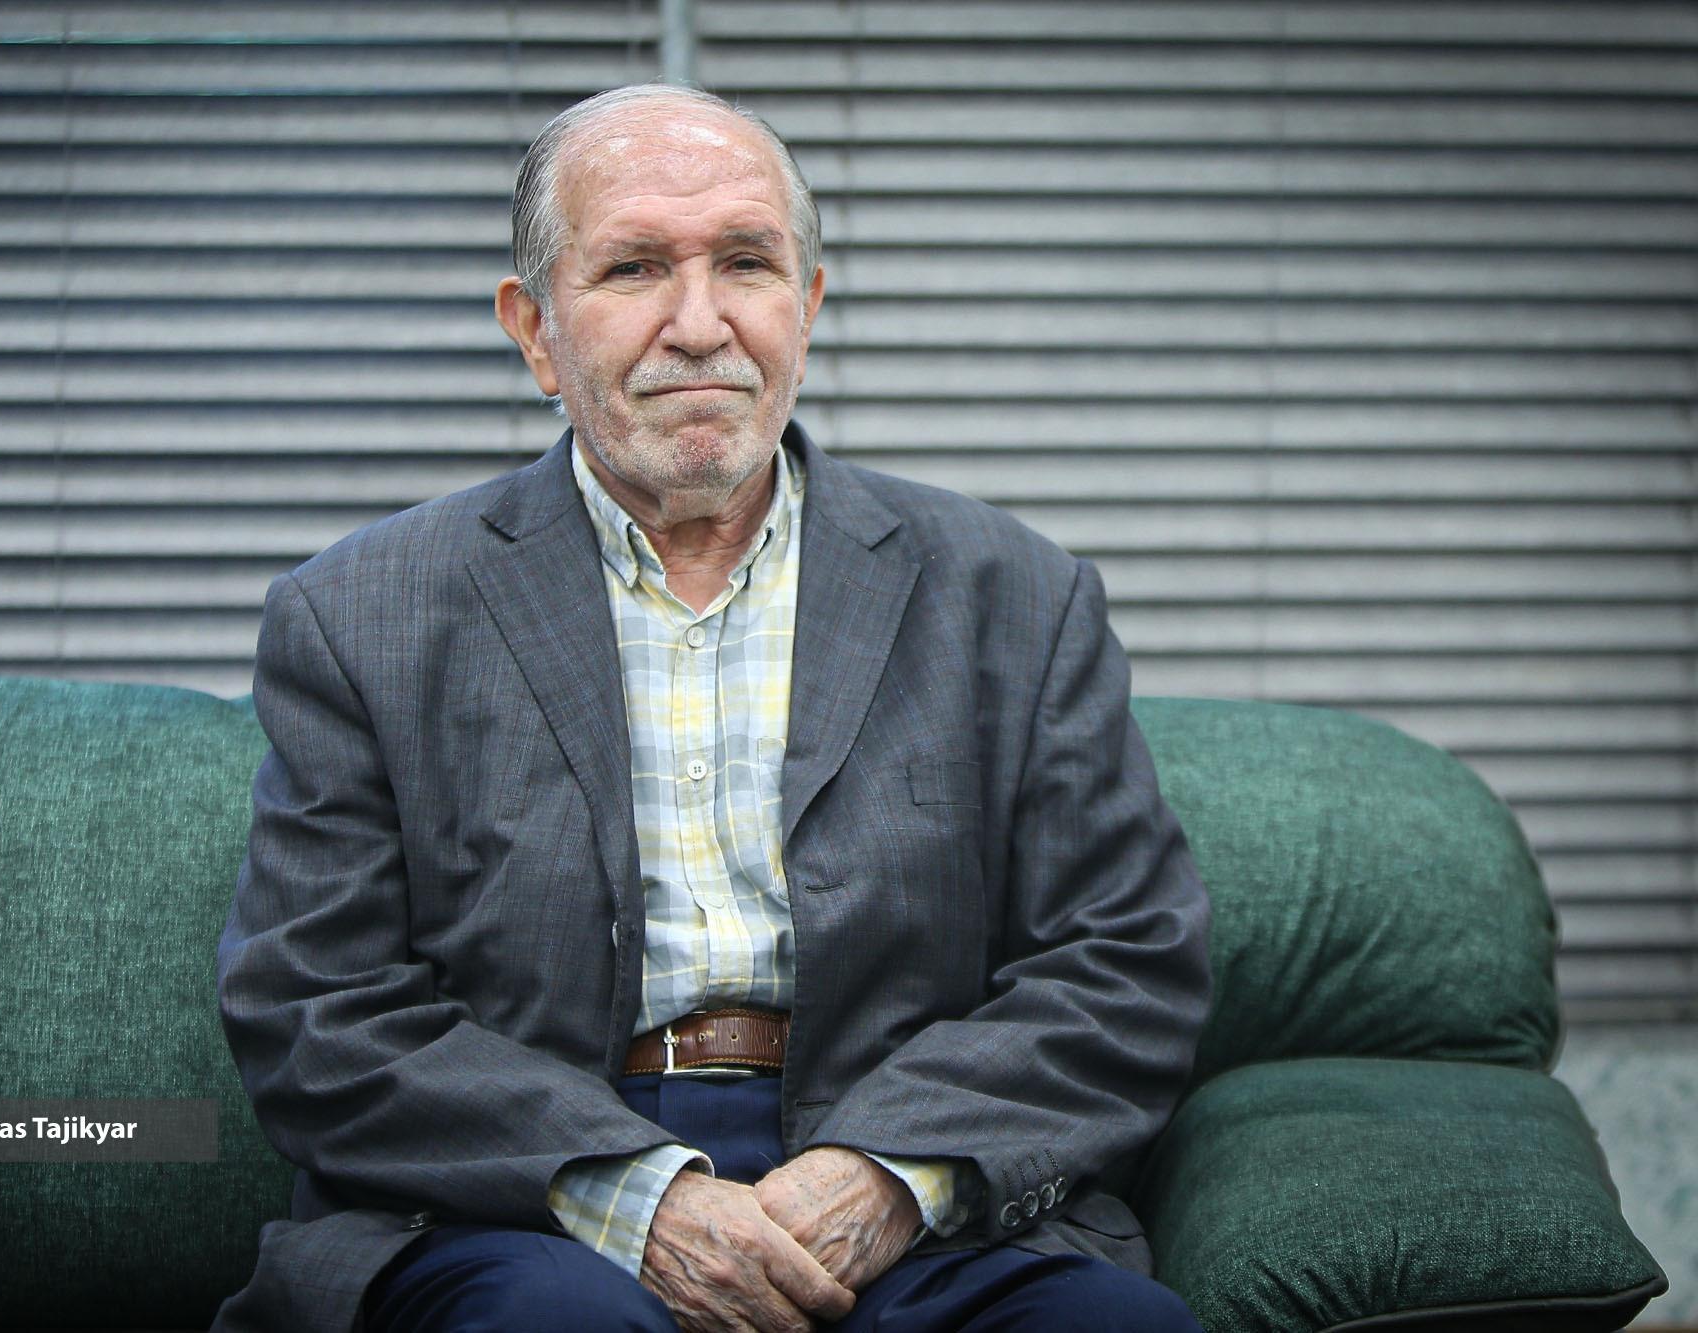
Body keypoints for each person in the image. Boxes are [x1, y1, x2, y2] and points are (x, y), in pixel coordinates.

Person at [212, 83, 1210, 1333]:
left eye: (745, 262)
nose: (698, 326)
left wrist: (885, 1177)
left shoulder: (1013, 595)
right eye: (633, 267)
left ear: (807, 303)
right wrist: (638, 1198)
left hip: (910, 1176)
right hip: (516, 1204)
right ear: (534, 331)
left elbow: (1124, 962)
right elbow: (316, 1006)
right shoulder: (359, 614)